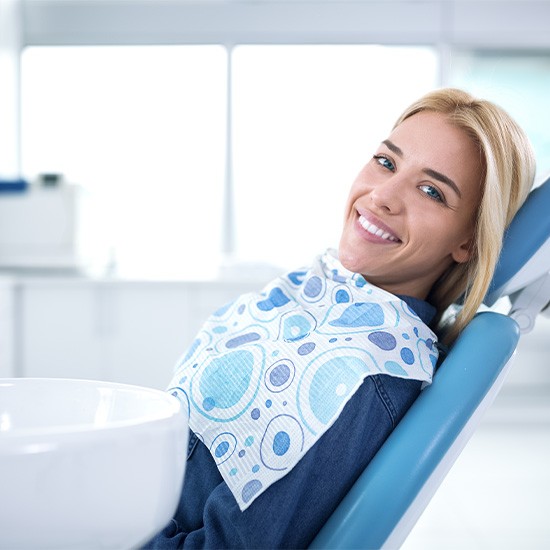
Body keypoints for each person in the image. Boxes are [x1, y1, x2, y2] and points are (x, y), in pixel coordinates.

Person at [144, 88, 535, 549]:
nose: (382, 196)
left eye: (431, 190)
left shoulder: (359, 374)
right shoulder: (317, 294)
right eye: (386, 162)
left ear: (467, 242)